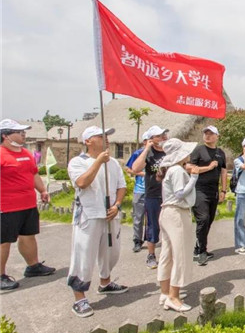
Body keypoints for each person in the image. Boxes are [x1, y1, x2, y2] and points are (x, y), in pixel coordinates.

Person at [67, 126, 128, 318]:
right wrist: (99, 162)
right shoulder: (77, 162)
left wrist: (117, 205)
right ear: (88, 141)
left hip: (110, 214)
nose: (106, 139)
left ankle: (105, 282)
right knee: (84, 255)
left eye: (107, 136)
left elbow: (121, 186)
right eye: (101, 136)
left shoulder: (113, 163)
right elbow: (82, 182)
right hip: (89, 215)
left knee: (111, 252)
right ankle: (79, 297)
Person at [0, 119, 55, 291]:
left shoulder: (26, 153)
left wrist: (42, 190)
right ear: (5, 136)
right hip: (6, 206)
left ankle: (33, 266)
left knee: (28, 235)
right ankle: (0, 275)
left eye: (24, 132)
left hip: (28, 204)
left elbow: (33, 174)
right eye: (19, 132)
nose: (23, 134)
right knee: (4, 241)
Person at [155, 138, 199, 312]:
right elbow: (180, 193)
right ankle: (173, 296)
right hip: (177, 213)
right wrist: (194, 178)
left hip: (167, 212)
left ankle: (165, 292)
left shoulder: (171, 170)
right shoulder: (178, 171)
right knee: (180, 255)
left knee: (167, 254)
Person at [187, 126, 227, 266]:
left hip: (213, 191)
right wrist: (208, 167)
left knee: (208, 221)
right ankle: (201, 252)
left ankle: (199, 247)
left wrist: (223, 190)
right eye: (206, 133)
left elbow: (223, 172)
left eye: (211, 134)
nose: (208, 136)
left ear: (217, 136)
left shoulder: (220, 153)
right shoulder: (198, 150)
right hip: (199, 190)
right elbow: (189, 167)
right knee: (203, 219)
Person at [132, 125, 169, 269]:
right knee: (152, 226)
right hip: (153, 194)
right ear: (151, 139)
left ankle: (167, 255)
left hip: (168, 195)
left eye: (163, 135)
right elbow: (135, 168)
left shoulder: (168, 151)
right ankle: (151, 255)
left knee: (168, 226)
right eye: (158, 136)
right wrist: (147, 148)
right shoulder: (148, 153)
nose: (162, 138)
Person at [125, 132, 149, 253]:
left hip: (153, 190)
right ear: (144, 141)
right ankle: (137, 240)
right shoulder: (137, 153)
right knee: (138, 217)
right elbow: (128, 169)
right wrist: (142, 174)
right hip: (140, 189)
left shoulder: (157, 154)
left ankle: (149, 238)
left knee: (152, 217)